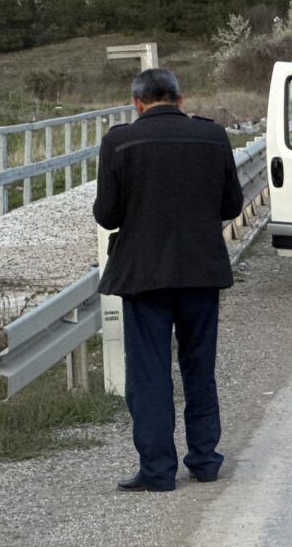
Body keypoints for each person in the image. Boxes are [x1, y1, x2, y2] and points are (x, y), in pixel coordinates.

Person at [93, 69, 243, 493]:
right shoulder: (212, 137)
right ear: (180, 99)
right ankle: (205, 461)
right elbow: (231, 205)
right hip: (201, 271)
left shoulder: (119, 142)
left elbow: (107, 215)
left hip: (143, 276)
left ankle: (158, 471)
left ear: (137, 104)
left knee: (150, 374)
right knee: (199, 368)